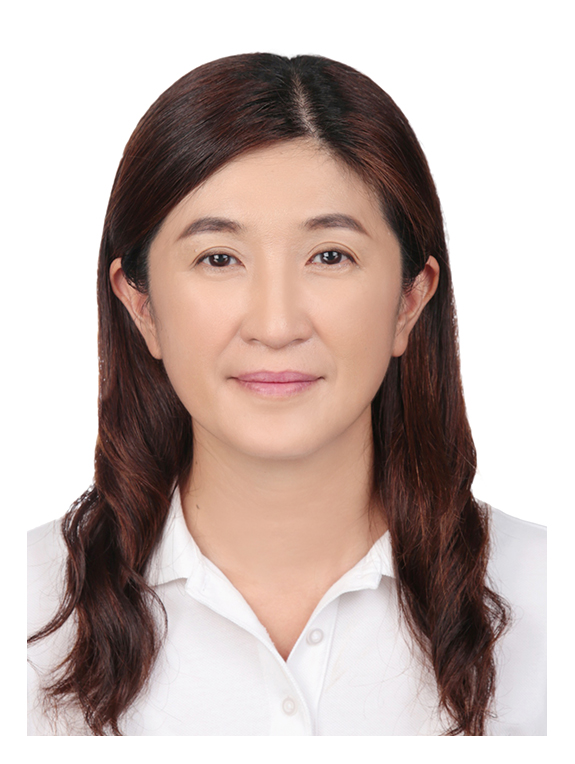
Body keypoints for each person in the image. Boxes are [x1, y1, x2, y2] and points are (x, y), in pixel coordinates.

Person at [27, 52, 546, 737]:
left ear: (409, 301)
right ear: (141, 305)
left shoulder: (548, 596)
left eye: (330, 256)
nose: (275, 326)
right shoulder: (25, 611)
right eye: (219, 259)